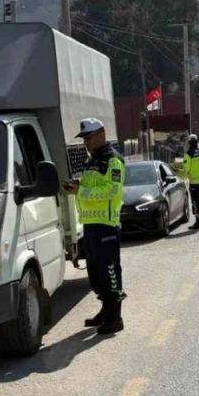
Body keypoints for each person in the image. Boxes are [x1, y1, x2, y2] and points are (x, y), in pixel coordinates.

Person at [65, 118, 126, 334]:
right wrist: (78, 185)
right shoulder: (91, 161)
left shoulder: (113, 160)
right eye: (84, 139)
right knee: (95, 274)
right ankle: (105, 310)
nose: (86, 143)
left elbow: (112, 191)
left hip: (106, 224)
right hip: (90, 224)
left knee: (109, 271)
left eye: (89, 138)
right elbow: (91, 187)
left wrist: (81, 191)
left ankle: (115, 317)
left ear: (102, 134)